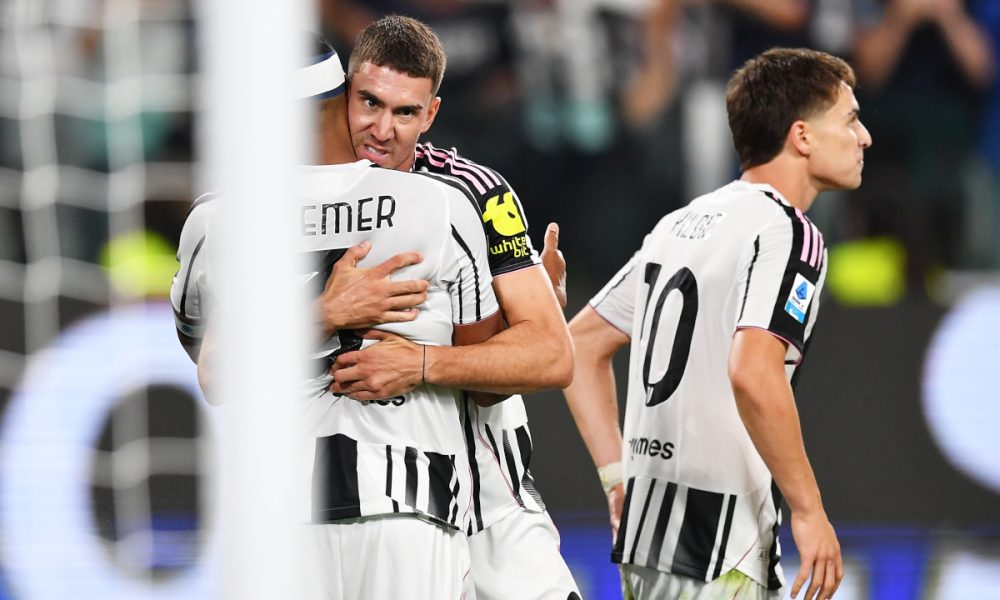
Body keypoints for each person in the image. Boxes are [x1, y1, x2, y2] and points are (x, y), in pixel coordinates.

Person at [170, 42, 503, 599]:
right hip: (411, 507)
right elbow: (486, 382)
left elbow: (215, 374)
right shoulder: (438, 203)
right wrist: (347, 323)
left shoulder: (220, 218)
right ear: (341, 102)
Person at [563, 47, 872, 600]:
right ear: (802, 137)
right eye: (850, 119)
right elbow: (754, 371)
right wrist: (809, 510)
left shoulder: (681, 223)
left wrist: (617, 479)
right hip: (721, 543)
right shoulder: (789, 232)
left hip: (649, 536)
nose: (864, 137)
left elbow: (580, 347)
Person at [322, 15, 581, 600]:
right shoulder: (306, 198)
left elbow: (549, 355)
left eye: (405, 112)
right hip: (375, 503)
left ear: (431, 114)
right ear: (346, 93)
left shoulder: (475, 194)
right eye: (369, 102)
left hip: (492, 500)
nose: (381, 128)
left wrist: (420, 364)